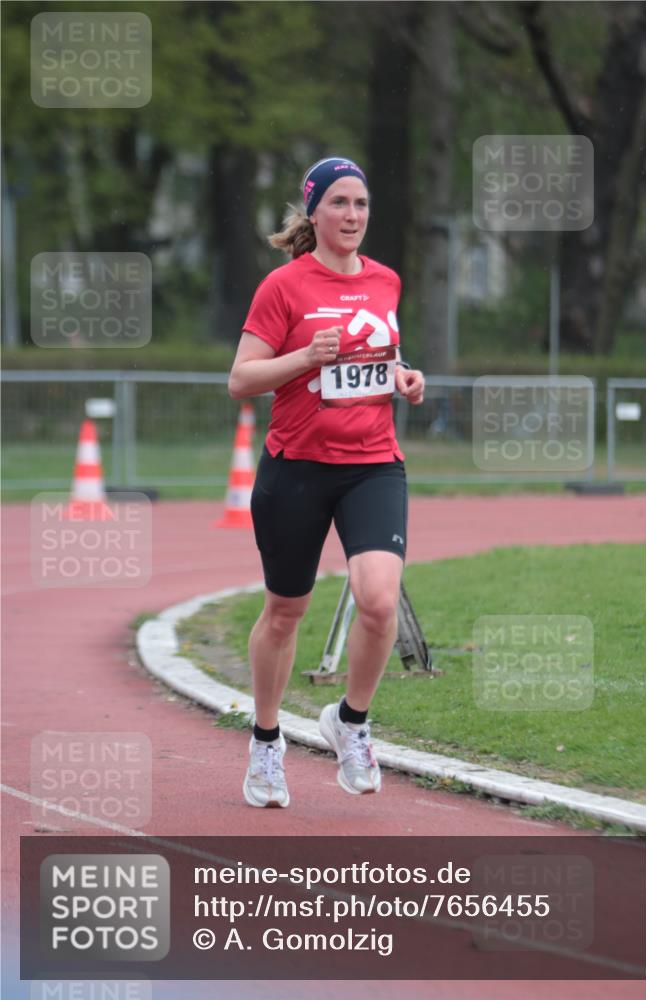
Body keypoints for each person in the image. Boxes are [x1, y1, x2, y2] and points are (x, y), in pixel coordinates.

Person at [228, 156, 425, 808]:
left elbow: (382, 352)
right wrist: (304, 358)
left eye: (361, 204)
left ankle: (351, 721)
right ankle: (265, 741)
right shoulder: (283, 286)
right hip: (297, 468)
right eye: (339, 203)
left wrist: (403, 376)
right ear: (313, 211)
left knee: (377, 599)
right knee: (285, 613)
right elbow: (241, 379)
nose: (352, 216)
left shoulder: (386, 281)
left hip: (372, 463)